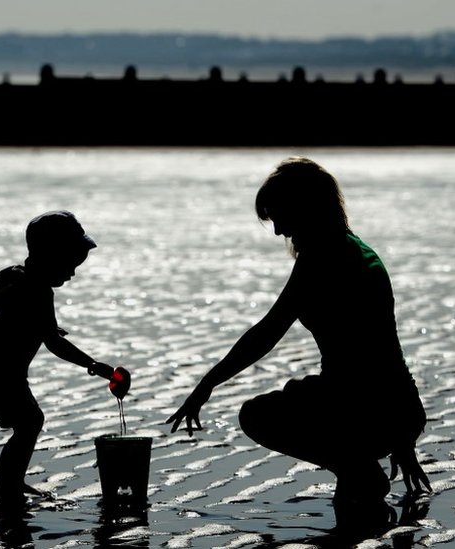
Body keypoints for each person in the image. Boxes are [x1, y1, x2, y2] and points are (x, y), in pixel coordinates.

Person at [166, 157, 430, 533]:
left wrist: (207, 384)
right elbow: (384, 352)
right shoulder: (357, 250)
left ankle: (359, 470)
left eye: (279, 217)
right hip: (399, 404)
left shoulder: (322, 258)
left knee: (256, 415)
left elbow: (267, 332)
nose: (278, 232)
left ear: (305, 207)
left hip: (359, 405)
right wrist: (401, 433)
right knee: (357, 518)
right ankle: (358, 473)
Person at [0, 210, 114, 515]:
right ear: (50, 255)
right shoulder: (37, 290)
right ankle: (6, 488)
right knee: (29, 423)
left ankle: (10, 483)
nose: (72, 274)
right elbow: (53, 343)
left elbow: (11, 317)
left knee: (28, 423)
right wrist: (93, 364)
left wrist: (43, 326)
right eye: (70, 265)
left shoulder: (12, 276)